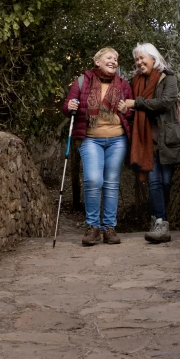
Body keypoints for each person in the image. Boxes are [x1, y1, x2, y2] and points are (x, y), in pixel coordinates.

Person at [118, 43, 180, 244]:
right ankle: (161, 222)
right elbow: (134, 112)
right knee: (154, 182)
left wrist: (136, 103)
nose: (139, 63)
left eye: (143, 58)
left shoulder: (168, 77)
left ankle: (157, 218)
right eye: (137, 60)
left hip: (167, 139)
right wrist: (127, 111)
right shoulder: (136, 81)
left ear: (153, 58)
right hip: (146, 140)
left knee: (166, 182)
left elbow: (166, 102)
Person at [62, 47, 133, 246]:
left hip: (117, 139)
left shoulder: (124, 85)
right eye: (109, 58)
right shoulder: (82, 81)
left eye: (116, 59)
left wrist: (126, 110)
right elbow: (67, 106)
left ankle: (109, 228)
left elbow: (130, 114)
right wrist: (70, 106)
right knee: (93, 180)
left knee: (111, 183)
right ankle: (92, 227)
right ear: (98, 61)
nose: (114, 61)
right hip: (90, 139)